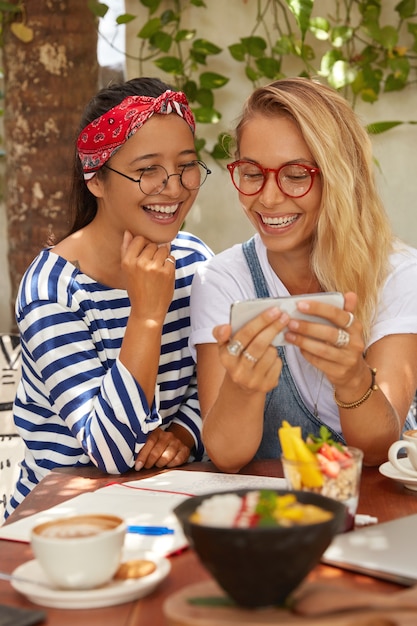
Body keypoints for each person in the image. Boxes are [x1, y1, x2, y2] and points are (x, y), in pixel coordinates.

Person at [5, 77, 213, 519]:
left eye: (185, 165)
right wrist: (147, 317)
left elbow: (214, 377)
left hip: (163, 505)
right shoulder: (52, 290)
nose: (173, 188)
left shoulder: (195, 260)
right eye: (146, 171)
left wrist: (185, 433)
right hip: (61, 522)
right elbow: (112, 453)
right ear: (96, 179)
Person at [189, 77, 417, 473]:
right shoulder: (222, 281)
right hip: (276, 522)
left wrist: (352, 379)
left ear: (340, 177)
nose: (269, 196)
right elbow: (225, 456)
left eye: (296, 175)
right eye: (252, 172)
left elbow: (381, 450)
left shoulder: (397, 274)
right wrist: (242, 388)